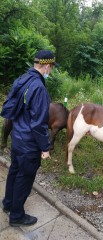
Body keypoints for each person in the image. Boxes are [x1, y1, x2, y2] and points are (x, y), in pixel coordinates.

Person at [0, 50, 56, 227]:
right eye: (52, 68)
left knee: (14, 172)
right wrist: (45, 148)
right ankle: (16, 215)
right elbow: (38, 124)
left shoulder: (23, 78)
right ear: (47, 66)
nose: (51, 72)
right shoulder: (39, 88)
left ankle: (8, 203)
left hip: (17, 138)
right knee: (24, 178)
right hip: (29, 144)